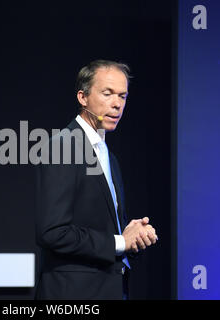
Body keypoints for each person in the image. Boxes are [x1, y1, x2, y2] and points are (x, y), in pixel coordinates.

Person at [35, 60, 158, 300]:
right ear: (82, 97)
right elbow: (52, 232)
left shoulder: (109, 157)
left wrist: (133, 236)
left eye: (123, 96)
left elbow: (105, 230)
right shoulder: (63, 148)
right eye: (108, 93)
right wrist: (120, 241)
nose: (117, 104)